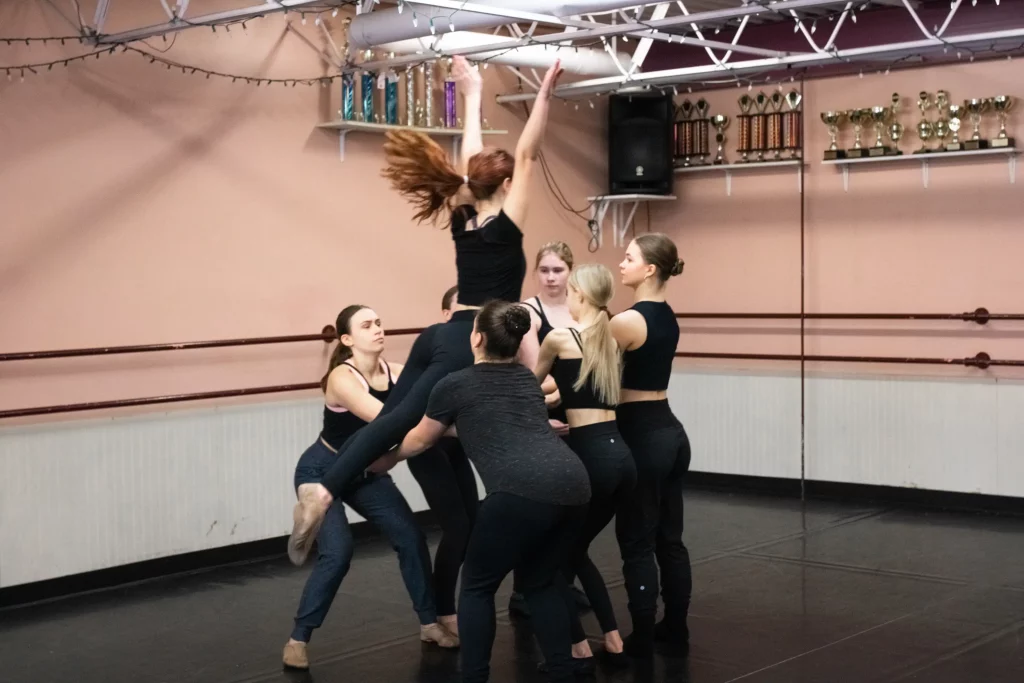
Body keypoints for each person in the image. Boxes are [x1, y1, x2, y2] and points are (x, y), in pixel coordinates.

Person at [287, 57, 565, 566]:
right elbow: (526, 155)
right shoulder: (504, 225)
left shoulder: (462, 216)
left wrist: (474, 91)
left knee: (394, 419)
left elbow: (475, 158)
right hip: (470, 338)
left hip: (437, 334)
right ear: (503, 188)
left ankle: (324, 490)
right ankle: (343, 484)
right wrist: (544, 93)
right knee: (413, 430)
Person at [373, 301, 591, 683]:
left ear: (475, 338)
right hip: (574, 486)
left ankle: (474, 676)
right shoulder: (525, 379)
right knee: (540, 581)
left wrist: (387, 459)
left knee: (476, 587)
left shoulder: (454, 384)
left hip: (520, 492)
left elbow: (421, 441)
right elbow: (491, 422)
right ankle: (562, 669)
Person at [282, 305, 457, 671]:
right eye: (367, 325)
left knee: (410, 537)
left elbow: (427, 412)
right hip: (322, 469)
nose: (378, 329)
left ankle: (429, 624)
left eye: (379, 322)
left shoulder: (396, 372)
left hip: (365, 473)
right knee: (339, 553)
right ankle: (298, 638)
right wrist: (444, 429)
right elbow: (389, 423)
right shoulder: (342, 378)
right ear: (347, 339)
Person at [532, 263, 635, 666]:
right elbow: (580, 390)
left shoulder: (559, 338)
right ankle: (613, 640)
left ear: (581, 295)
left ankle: (577, 646)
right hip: (621, 458)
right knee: (575, 551)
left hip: (590, 456)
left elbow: (527, 388)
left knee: (554, 559)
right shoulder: (609, 341)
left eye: (571, 292)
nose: (568, 299)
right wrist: (556, 399)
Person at [609, 234, 691, 658]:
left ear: (650, 270)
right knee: (669, 539)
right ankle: (674, 627)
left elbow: (590, 376)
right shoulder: (668, 316)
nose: (621, 264)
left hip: (643, 435)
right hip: (671, 433)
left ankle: (641, 634)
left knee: (637, 540)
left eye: (628, 258)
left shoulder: (624, 322)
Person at [402, 286, 480, 636]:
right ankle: (442, 611)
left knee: (473, 522)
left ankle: (446, 602)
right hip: (427, 448)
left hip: (453, 445)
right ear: (446, 315)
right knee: (458, 527)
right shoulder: (435, 351)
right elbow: (417, 418)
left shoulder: (471, 354)